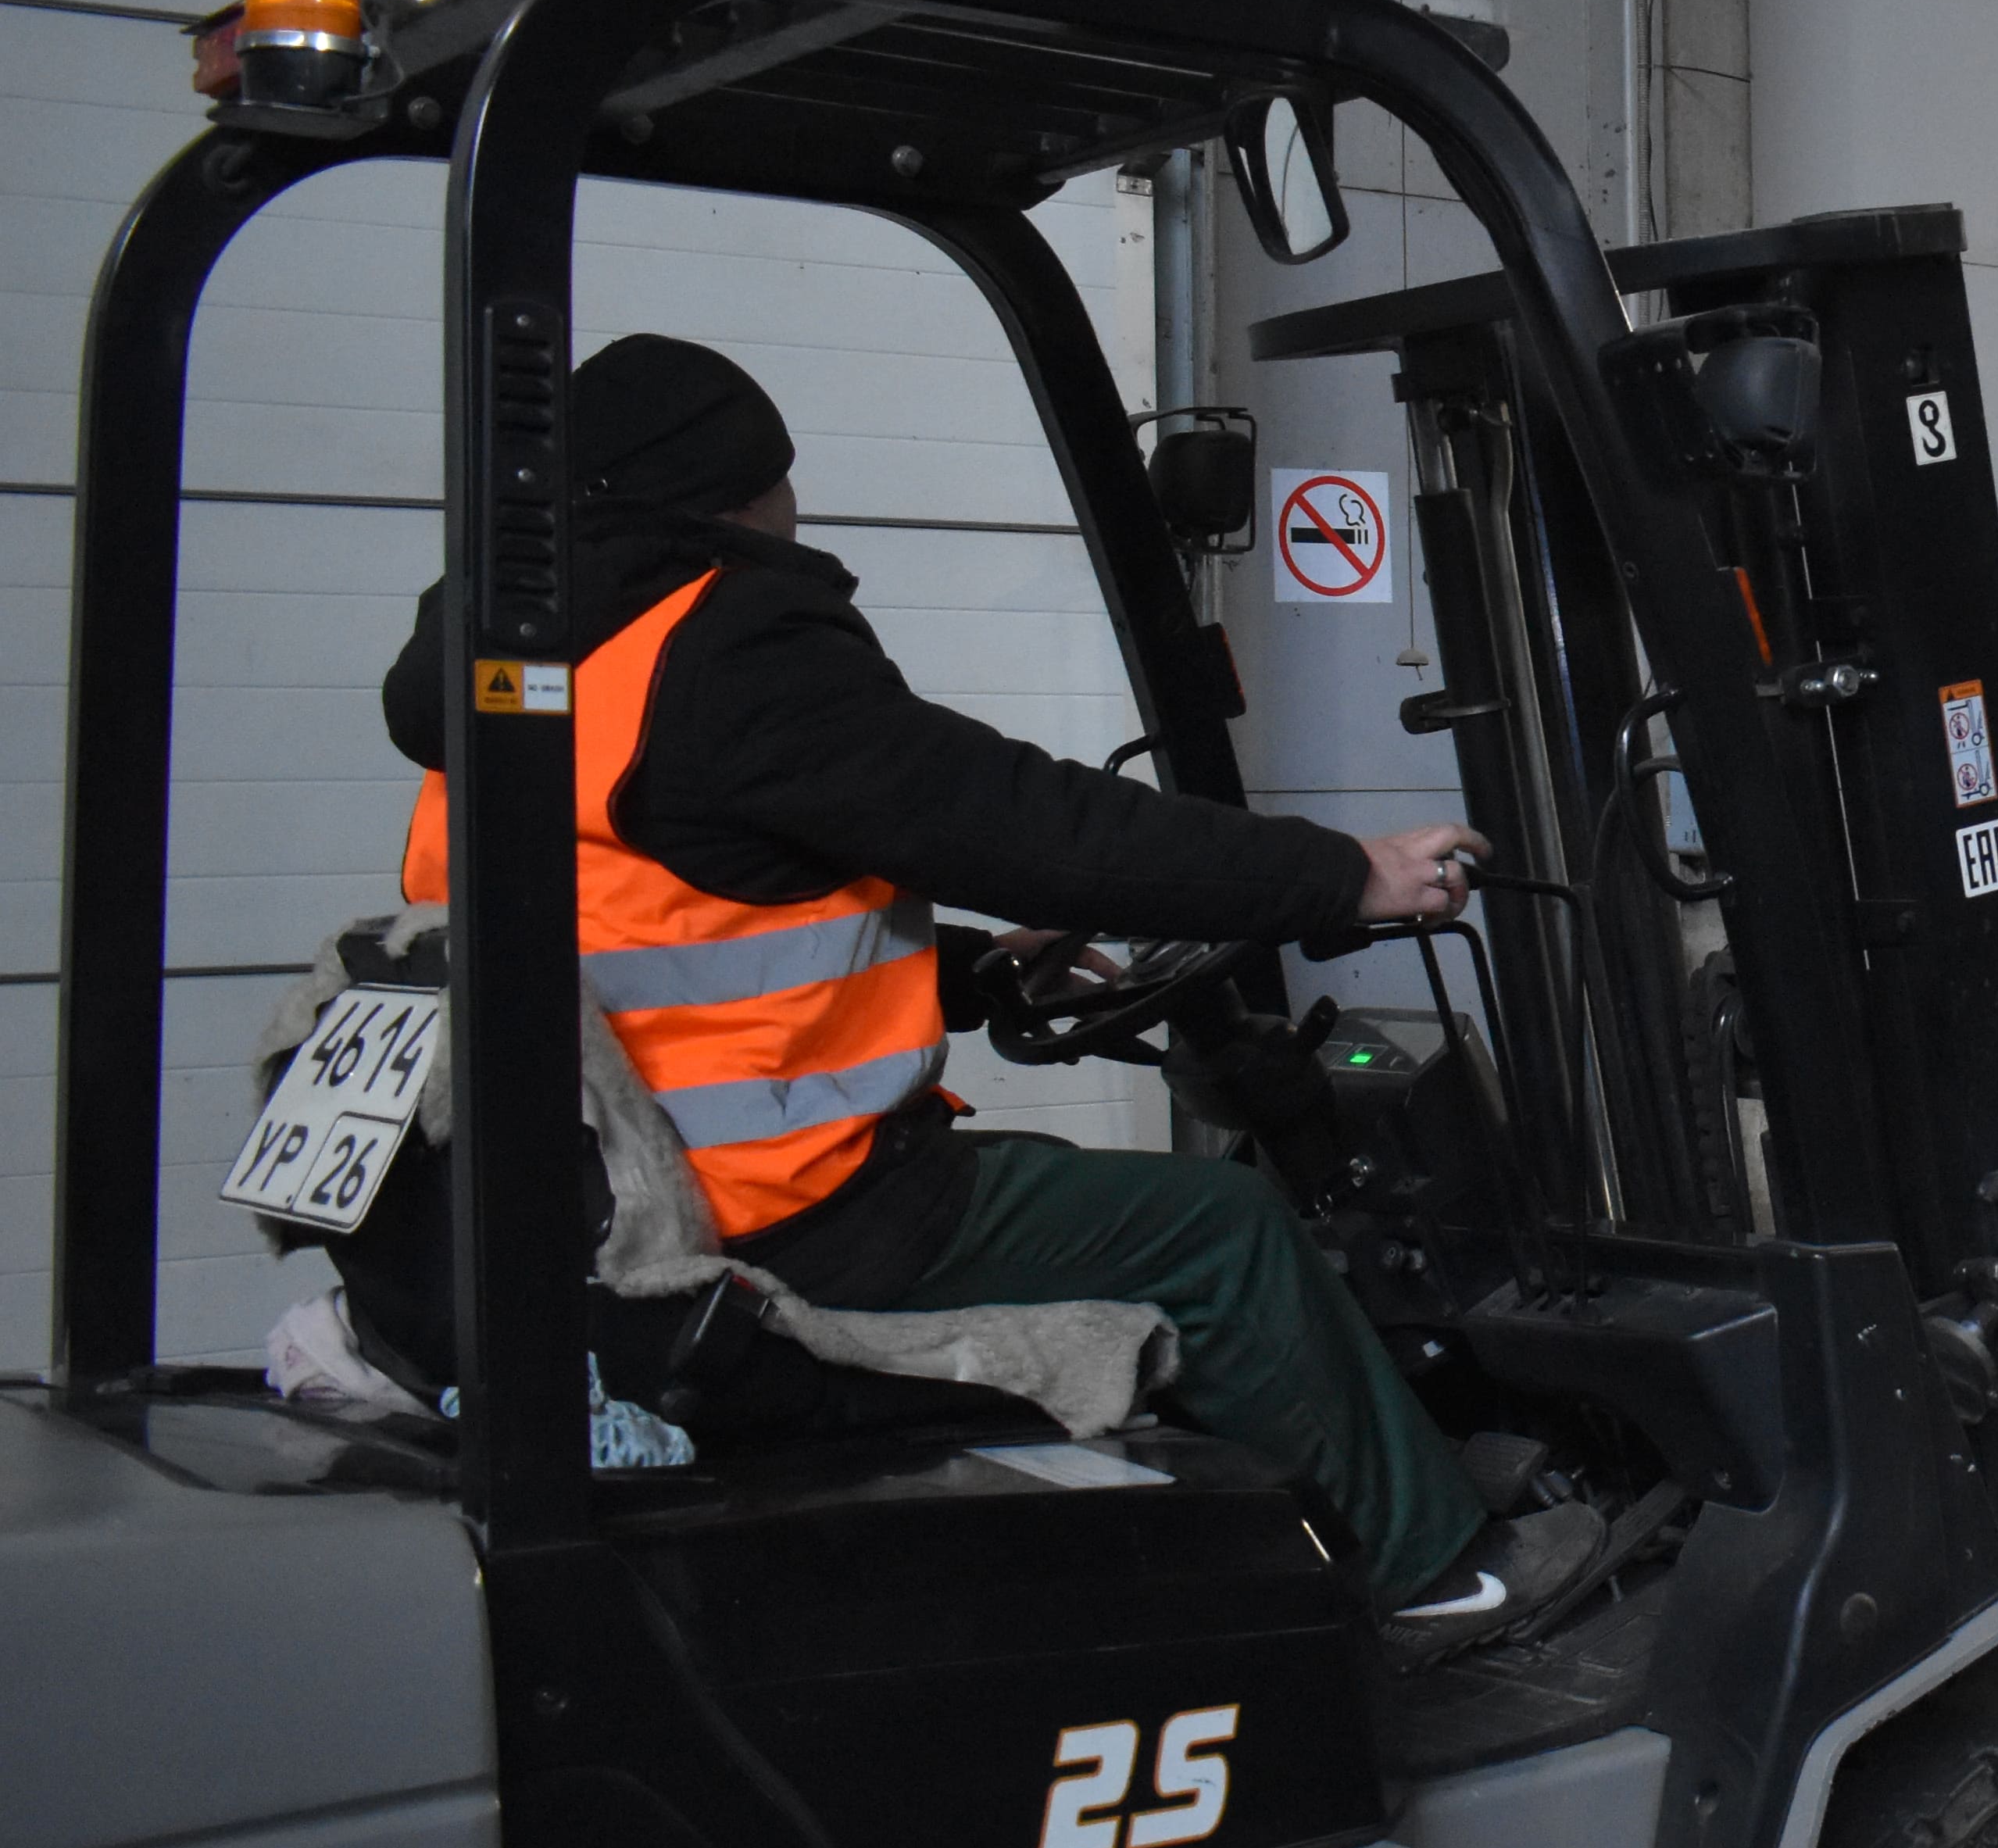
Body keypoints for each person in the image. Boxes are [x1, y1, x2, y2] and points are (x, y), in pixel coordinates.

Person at [380, 332, 1591, 1664]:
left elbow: (666, 910)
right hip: (780, 1215)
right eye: (783, 480)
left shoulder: (532, 666)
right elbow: (1021, 819)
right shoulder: (723, 645)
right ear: (737, 494)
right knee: (1221, 1231)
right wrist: (1344, 874)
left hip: (608, 1194)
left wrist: (964, 970)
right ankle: (1438, 1577)